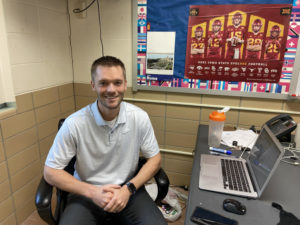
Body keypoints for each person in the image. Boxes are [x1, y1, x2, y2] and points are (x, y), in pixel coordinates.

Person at [43, 56, 167, 225]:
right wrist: (93, 192)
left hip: (128, 190)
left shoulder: (139, 117)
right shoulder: (74, 124)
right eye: (103, 83)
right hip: (86, 193)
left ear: (124, 84)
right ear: (93, 85)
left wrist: (129, 188)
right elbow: (50, 172)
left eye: (117, 82)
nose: (111, 89)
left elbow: (155, 159)